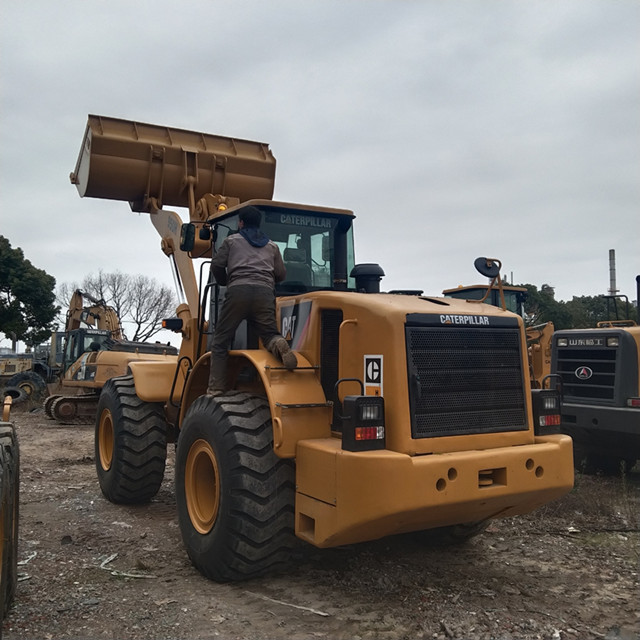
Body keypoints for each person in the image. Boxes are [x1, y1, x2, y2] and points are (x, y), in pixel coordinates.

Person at [207, 206, 297, 396]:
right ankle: (279, 343)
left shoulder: (231, 241)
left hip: (238, 291)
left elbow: (216, 264)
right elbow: (281, 274)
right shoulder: (272, 246)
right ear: (259, 224)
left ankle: (216, 388)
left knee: (221, 340)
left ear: (240, 223)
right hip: (265, 293)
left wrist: (225, 281)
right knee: (268, 334)